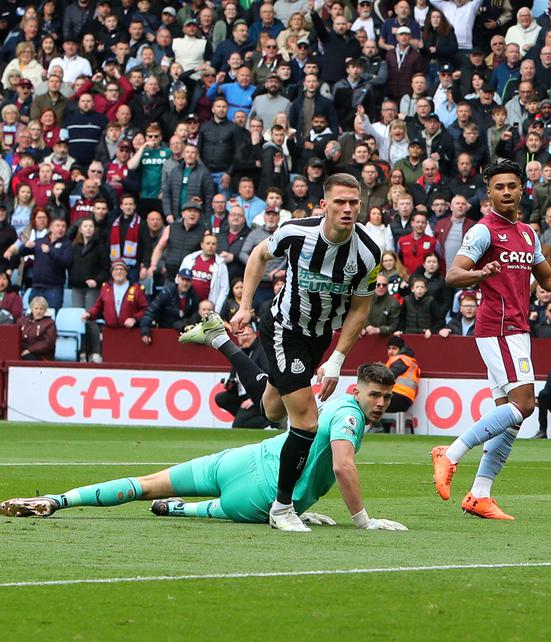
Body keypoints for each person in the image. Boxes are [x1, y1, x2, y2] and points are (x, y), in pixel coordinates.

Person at [180, 173, 382, 533]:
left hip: (319, 337)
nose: (348, 209)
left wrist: (337, 359)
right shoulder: (295, 233)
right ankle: (283, 507)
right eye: (340, 202)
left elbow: (360, 310)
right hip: (284, 328)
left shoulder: (368, 252)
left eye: (354, 202)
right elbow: (259, 256)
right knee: (306, 422)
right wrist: (245, 306)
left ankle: (219, 340)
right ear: (324, 205)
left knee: (272, 410)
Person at [1, 363, 408, 533]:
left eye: (386, 398)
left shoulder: (334, 401)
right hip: (262, 495)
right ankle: (181, 509)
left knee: (147, 483)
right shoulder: (351, 418)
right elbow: (342, 466)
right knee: (216, 508)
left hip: (241, 458)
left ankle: (59, 499)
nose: (380, 403)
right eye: (375, 395)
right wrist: (363, 521)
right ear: (357, 391)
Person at [431, 159, 551, 521]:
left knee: (510, 418)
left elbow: (547, 279)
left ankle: (480, 494)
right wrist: (481, 273)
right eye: (499, 187)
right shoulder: (483, 231)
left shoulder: (527, 233)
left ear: (521, 189)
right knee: (525, 404)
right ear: (489, 192)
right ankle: (450, 453)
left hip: (516, 328)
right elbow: (453, 274)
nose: (507, 192)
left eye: (512, 185)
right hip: (498, 328)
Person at [213, 324, 275, 430]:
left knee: (237, 425)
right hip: (243, 395)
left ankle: (270, 421)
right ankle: (247, 418)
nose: (245, 338)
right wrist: (230, 385)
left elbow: (268, 376)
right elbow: (234, 376)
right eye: (242, 335)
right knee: (221, 398)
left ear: (255, 335)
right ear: (237, 338)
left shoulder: (261, 351)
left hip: (259, 397)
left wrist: (252, 399)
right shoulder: (239, 352)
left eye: (247, 335)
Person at [384, 335, 421, 420]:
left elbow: (386, 377)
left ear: (401, 349)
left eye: (394, 348)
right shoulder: (409, 361)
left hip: (396, 397)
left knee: (368, 401)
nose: (391, 351)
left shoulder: (401, 359)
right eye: (389, 348)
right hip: (406, 400)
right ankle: (381, 427)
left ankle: (377, 426)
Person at [18, 296, 56, 361]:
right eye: (36, 308)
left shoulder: (50, 323)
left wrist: (29, 350)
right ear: (31, 309)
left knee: (27, 358)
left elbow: (48, 343)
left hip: (41, 355)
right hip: (22, 351)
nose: (38, 311)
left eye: (41, 309)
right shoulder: (23, 321)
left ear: (45, 310)